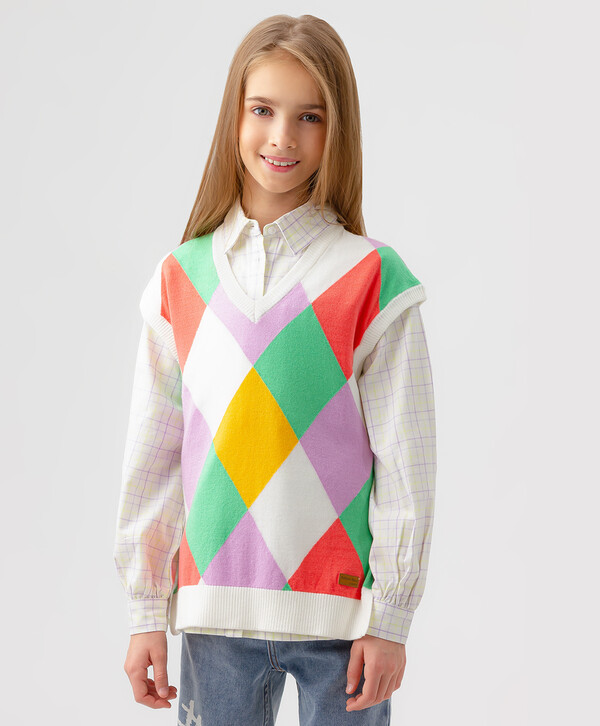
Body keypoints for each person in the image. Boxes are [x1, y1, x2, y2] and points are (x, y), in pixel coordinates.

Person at [113, 13, 437, 725]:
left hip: (341, 622)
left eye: (309, 116)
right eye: (262, 110)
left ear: (337, 129)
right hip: (212, 615)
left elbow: (407, 465)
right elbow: (154, 458)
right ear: (234, 115)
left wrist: (391, 618)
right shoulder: (180, 279)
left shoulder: (373, 279)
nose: (282, 136)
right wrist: (144, 610)